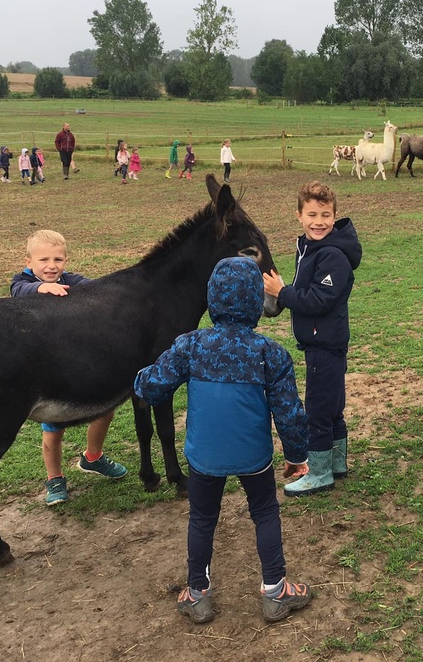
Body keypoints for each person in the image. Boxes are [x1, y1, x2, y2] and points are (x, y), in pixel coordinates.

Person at [135, 257, 312, 625]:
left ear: (211, 297)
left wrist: (139, 376)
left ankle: (197, 593)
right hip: (254, 454)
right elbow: (290, 413)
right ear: (254, 302)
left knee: (202, 518)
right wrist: (296, 456)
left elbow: (151, 387)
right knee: (264, 512)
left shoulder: (190, 345)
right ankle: (276, 590)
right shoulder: (270, 353)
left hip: (204, 455)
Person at [11, 229, 129, 504]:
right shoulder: (24, 282)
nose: (51, 266)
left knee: (105, 410)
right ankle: (54, 479)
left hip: (75, 361)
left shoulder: (70, 280)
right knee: (53, 429)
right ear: (28, 262)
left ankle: (93, 457)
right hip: (48, 370)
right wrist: (41, 287)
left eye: (58, 259)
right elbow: (18, 291)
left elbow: (94, 287)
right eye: (44, 260)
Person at [262, 181, 362, 496]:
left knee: (319, 408)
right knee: (331, 406)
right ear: (299, 215)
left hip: (325, 343)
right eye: (312, 214)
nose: (318, 222)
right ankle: (336, 463)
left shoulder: (332, 254)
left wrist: (282, 292)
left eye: (325, 215)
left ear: (335, 216)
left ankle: (319, 473)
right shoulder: (309, 247)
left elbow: (319, 300)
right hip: (321, 341)